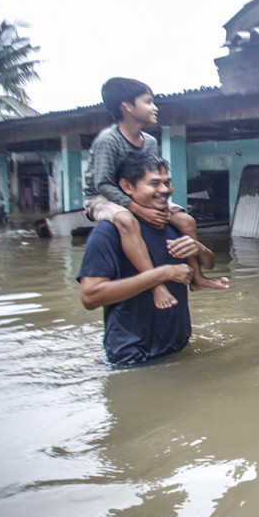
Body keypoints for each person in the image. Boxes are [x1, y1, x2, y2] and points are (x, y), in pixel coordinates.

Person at [83, 77, 227, 310]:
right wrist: (138, 208)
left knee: (186, 220)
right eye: (148, 102)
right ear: (127, 107)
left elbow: (147, 179)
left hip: (135, 196)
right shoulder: (108, 141)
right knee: (126, 221)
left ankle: (198, 278)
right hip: (102, 197)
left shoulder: (148, 142)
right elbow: (102, 184)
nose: (155, 107)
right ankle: (156, 285)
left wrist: (145, 203)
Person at [79, 151, 227, 366]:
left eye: (167, 183)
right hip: (132, 359)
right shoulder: (108, 233)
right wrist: (162, 275)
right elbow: (90, 297)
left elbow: (209, 264)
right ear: (127, 187)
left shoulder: (174, 225)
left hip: (178, 348)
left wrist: (199, 249)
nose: (165, 190)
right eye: (154, 183)